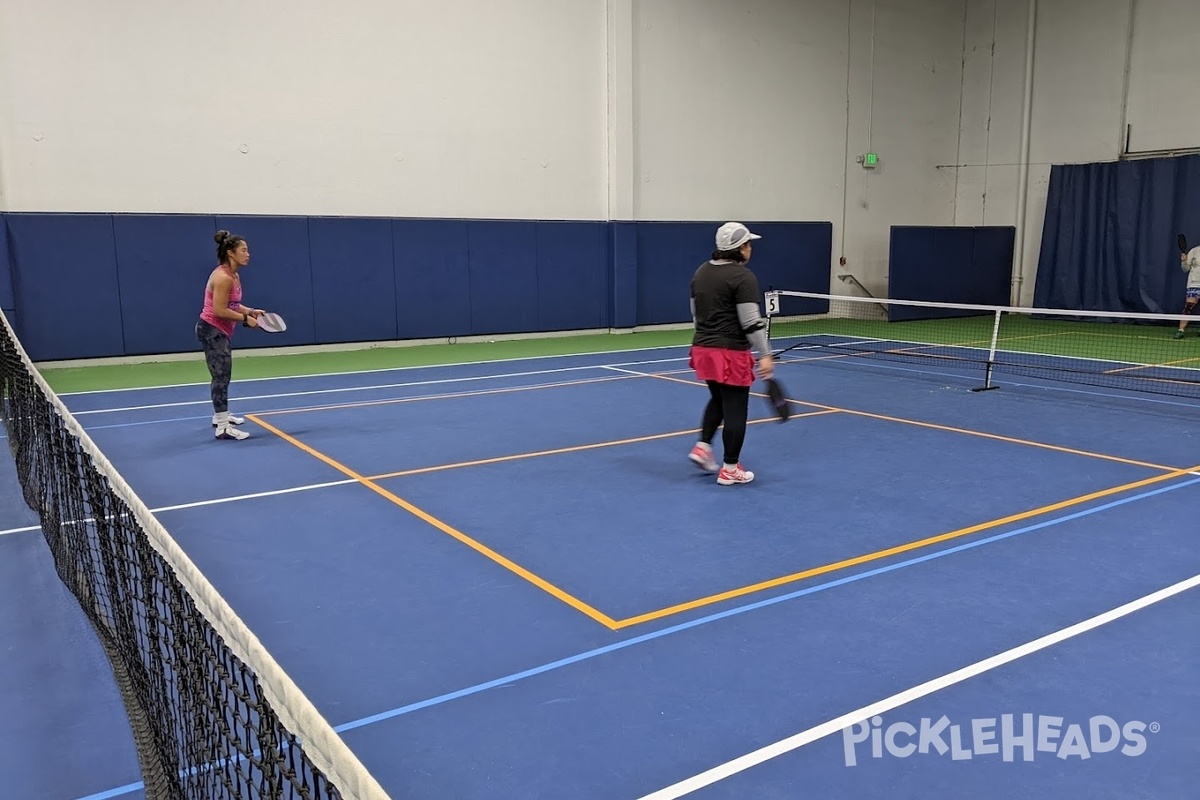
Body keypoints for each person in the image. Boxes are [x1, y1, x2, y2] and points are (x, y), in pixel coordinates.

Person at [686, 222, 774, 485]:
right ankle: (730, 469)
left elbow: (695, 313)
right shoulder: (743, 277)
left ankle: (703, 446)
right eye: (748, 244)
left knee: (719, 400)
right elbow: (750, 321)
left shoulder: (701, 272)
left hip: (703, 348)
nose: (750, 249)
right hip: (730, 352)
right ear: (740, 248)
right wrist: (766, 353)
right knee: (736, 409)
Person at [196, 230, 264, 440]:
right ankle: (223, 427)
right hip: (212, 330)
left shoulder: (234, 275)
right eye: (243, 250)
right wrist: (245, 320)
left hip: (220, 330)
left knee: (223, 376)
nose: (248, 254)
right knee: (221, 377)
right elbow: (219, 310)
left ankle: (220, 417)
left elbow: (232, 304)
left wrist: (250, 311)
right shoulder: (223, 277)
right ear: (231, 253)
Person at [1174, 243, 1200, 338]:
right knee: (1188, 307)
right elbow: (1185, 269)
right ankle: (1181, 330)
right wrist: (1184, 261)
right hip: (1194, 284)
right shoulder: (1194, 251)